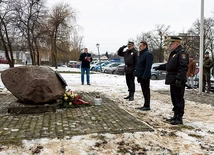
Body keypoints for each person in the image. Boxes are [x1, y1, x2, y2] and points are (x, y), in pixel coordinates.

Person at [154, 36, 189, 125]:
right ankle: (175, 115)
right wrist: (160, 67)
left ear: (177, 44)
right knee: (174, 98)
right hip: (172, 79)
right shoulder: (174, 54)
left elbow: (183, 67)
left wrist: (178, 79)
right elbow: (169, 65)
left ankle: (179, 118)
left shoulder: (182, 54)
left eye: (171, 44)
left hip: (177, 80)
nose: (170, 45)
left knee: (178, 99)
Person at [135, 41, 153, 111]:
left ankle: (147, 105)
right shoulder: (141, 54)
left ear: (145, 46)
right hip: (141, 76)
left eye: (141, 45)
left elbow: (147, 67)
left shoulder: (148, 54)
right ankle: (145, 105)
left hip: (145, 76)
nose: (140, 47)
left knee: (146, 91)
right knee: (144, 91)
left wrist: (144, 77)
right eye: (139, 46)